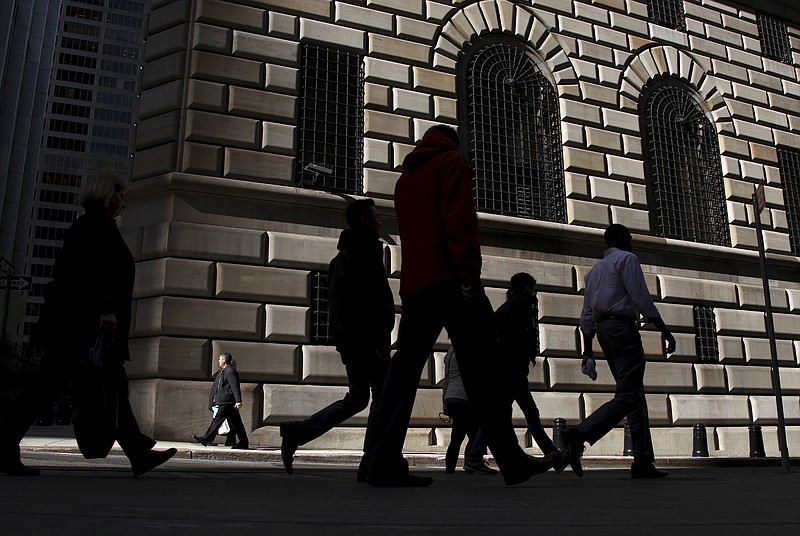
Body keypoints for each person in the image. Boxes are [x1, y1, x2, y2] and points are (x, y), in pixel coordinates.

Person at [366, 124, 555, 487]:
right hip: (453, 282)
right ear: (452, 142)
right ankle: (511, 459)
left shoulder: (405, 180)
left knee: (401, 376)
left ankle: (380, 459)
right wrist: (469, 275)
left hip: (417, 286)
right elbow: (460, 222)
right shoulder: (450, 163)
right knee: (486, 372)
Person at [0, 173, 176, 477]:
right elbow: (89, 277)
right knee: (44, 387)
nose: (123, 201)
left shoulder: (94, 226)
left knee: (112, 384)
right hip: (81, 328)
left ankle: (137, 451)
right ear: (107, 196)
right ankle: (2, 445)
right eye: (120, 195)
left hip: (82, 327)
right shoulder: (94, 227)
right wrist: (105, 311)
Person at [279, 198, 394, 481]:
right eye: (376, 217)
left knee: (358, 397)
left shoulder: (342, 256)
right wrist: (380, 340)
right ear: (364, 220)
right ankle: (372, 461)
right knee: (383, 395)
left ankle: (298, 432)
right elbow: (371, 300)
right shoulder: (365, 249)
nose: (381, 223)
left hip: (352, 339)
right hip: (366, 339)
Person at [562, 224, 676, 479]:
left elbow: (587, 314)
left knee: (635, 394)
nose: (632, 240)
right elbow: (641, 297)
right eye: (629, 236)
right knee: (628, 395)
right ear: (620, 239)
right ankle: (579, 434)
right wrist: (664, 329)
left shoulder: (593, 272)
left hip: (603, 332)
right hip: (622, 328)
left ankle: (642, 460)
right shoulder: (627, 259)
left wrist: (588, 351)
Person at [495, 273, 567, 473]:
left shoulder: (507, 304)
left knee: (528, 412)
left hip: (514, 366)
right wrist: (524, 352)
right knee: (505, 412)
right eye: (531, 287)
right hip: (515, 366)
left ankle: (553, 454)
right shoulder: (522, 302)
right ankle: (474, 454)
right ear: (526, 287)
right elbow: (518, 330)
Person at [442, 347, 497, 475]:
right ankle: (471, 464)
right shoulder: (469, 349)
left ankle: (451, 470)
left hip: (451, 397)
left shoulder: (450, 352)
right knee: (473, 436)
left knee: (456, 438)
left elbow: (447, 378)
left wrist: (445, 402)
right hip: (465, 398)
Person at [193, 353, 249, 449]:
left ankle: (206, 438)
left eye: (220, 359)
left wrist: (238, 400)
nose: (218, 361)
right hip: (226, 402)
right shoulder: (224, 371)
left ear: (224, 360)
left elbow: (235, 386)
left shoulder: (230, 371)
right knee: (237, 423)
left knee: (217, 420)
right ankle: (243, 442)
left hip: (227, 402)